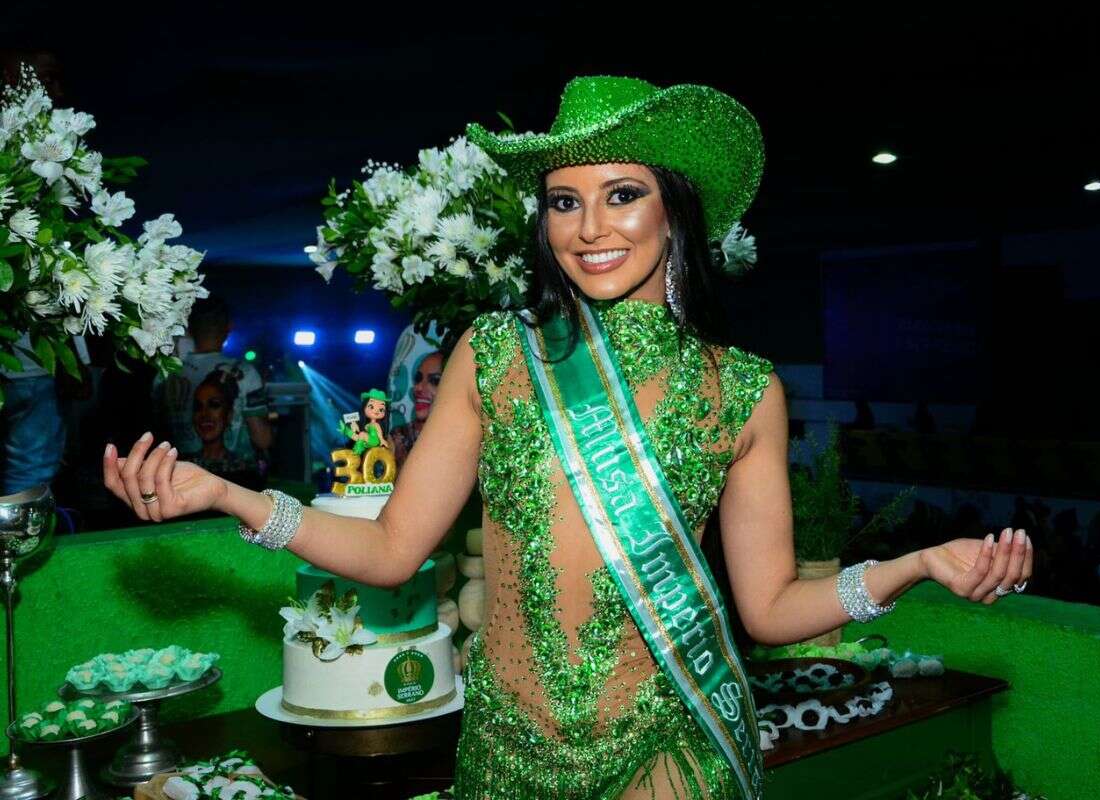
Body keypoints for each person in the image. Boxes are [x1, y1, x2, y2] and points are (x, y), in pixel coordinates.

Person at [102, 76, 1034, 800]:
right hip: (511, 752)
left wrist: (910, 567)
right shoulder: (499, 353)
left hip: (673, 746)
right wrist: (227, 495)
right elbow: (391, 553)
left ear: (675, 210)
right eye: (563, 201)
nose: (590, 228)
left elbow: (769, 611)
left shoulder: (743, 391)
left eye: (622, 194)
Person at [154, 296, 273, 466]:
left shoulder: (165, 373)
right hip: (233, 481)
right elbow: (263, 439)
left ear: (188, 328)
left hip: (177, 476)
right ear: (229, 327)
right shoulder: (246, 373)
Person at [185, 369, 265, 491]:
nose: (204, 414)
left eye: (214, 405)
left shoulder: (245, 469)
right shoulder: (182, 467)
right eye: (198, 407)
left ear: (229, 415)